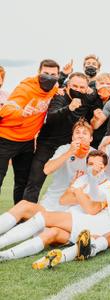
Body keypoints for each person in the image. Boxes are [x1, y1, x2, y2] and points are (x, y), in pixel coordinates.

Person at [0, 151, 110, 262]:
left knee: (43, 217)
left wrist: (78, 192)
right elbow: (64, 200)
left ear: (104, 167)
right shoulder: (82, 179)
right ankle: (6, 255)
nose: (93, 168)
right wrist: (85, 199)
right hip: (70, 222)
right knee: (51, 233)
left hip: (85, 225)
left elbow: (91, 209)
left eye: (97, 164)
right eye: (90, 164)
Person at [0, 120, 94, 238]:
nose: (80, 135)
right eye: (77, 132)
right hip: (52, 202)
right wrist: (69, 153)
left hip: (74, 206)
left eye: (85, 133)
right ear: (72, 137)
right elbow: (46, 170)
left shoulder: (95, 154)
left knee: (50, 233)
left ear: (91, 138)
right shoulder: (64, 149)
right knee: (26, 210)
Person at [23, 72, 95, 202]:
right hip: (47, 145)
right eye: (74, 86)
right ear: (67, 86)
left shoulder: (88, 97)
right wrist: (69, 108)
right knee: (35, 181)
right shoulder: (59, 97)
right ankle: (25, 216)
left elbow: (98, 94)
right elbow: (50, 117)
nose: (78, 90)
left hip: (69, 146)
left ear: (87, 89)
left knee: (70, 181)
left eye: (82, 87)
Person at [0, 59, 60, 203]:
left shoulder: (54, 88)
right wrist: (21, 112)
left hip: (26, 142)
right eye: (45, 73)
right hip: (5, 139)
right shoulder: (25, 88)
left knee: (23, 182)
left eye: (53, 74)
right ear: (39, 73)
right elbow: (8, 107)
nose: (49, 77)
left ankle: (19, 218)